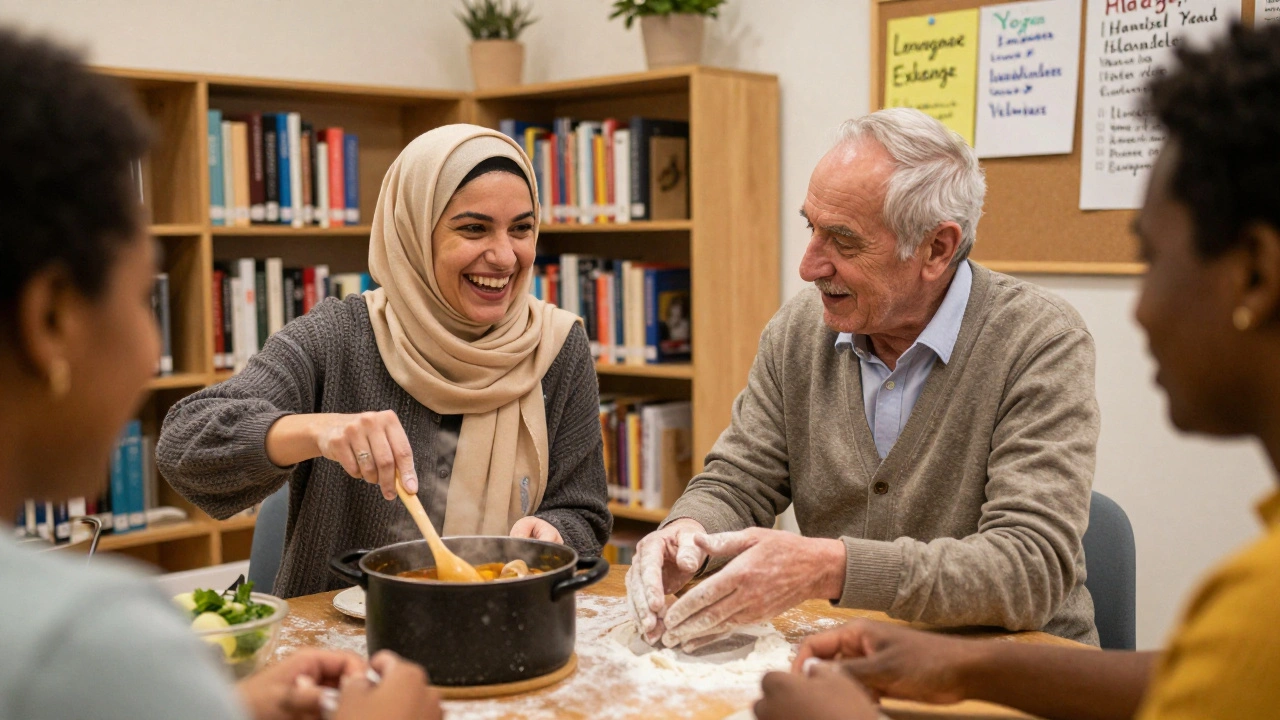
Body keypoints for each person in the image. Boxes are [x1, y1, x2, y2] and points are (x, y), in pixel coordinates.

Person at [754, 21, 1280, 720]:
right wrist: (960, 661)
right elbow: (1183, 678)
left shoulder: (1255, 608)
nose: (1142, 311)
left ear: (1255, 272)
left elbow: (1034, 567)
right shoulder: (1248, 610)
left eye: (1153, 260)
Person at [0, 27, 438, 720]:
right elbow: (192, 438)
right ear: (51, 318)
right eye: (142, 298)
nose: (151, 352)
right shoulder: (91, 642)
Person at [627, 106, 1102, 651]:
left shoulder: (1038, 339)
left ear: (936, 248)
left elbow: (1029, 568)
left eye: (843, 241)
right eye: (811, 228)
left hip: (1020, 668)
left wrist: (831, 567)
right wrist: (687, 532)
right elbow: (739, 479)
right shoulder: (800, 330)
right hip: (857, 656)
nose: (808, 267)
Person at [158, 124, 610, 598]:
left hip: (502, 626)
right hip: (342, 648)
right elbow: (184, 447)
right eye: (473, 228)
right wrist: (317, 430)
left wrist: (554, 534)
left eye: (521, 228)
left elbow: (583, 513)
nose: (504, 256)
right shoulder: (337, 337)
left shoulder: (557, 347)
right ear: (412, 231)